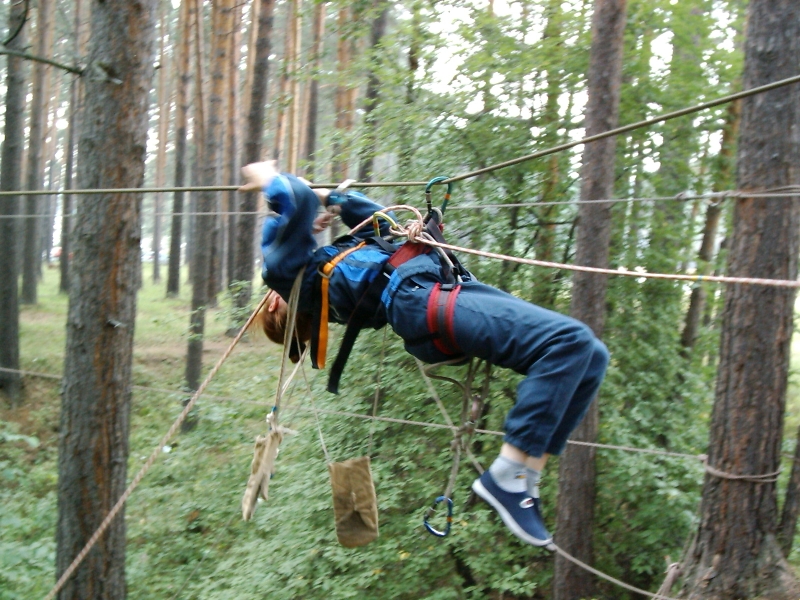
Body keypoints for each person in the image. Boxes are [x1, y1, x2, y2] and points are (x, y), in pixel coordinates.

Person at [240, 161, 609, 547]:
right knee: (569, 343)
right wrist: (267, 176)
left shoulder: (329, 268)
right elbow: (292, 198)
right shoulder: (286, 276)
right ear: (273, 302)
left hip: (443, 288)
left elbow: (380, 222)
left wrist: (332, 200)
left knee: (591, 355)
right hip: (421, 300)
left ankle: (525, 479)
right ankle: (509, 475)